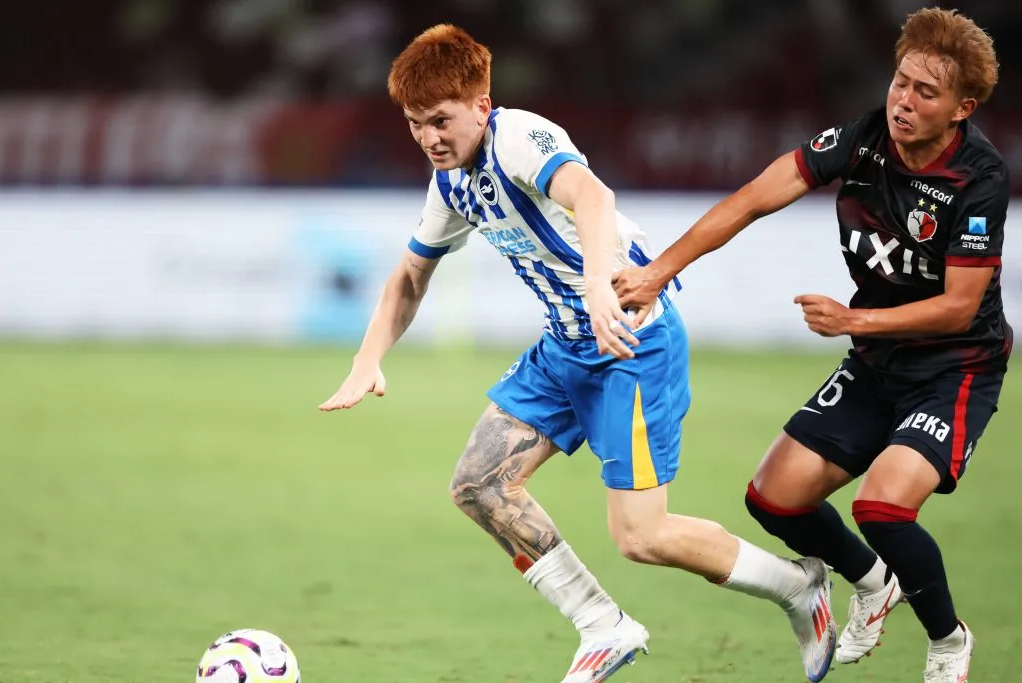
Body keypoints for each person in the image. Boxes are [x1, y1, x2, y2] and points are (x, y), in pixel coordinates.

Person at [319, 24, 838, 683]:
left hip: (632, 339)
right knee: (478, 485)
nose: (428, 137)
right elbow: (409, 275)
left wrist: (598, 283)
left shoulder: (519, 138)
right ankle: (603, 625)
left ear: (481, 104)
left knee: (642, 537)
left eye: (440, 120)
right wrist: (368, 358)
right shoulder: (450, 182)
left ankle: (797, 585)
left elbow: (593, 196)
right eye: (416, 124)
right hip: (565, 347)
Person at [613, 8, 1008, 683]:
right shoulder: (862, 139)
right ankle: (872, 581)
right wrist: (659, 271)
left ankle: (947, 640)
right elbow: (751, 199)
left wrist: (853, 322)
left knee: (882, 506)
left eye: (925, 92)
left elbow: (957, 307)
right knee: (773, 498)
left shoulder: (979, 178)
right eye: (900, 82)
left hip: (953, 368)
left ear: (962, 108)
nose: (902, 101)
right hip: (876, 361)